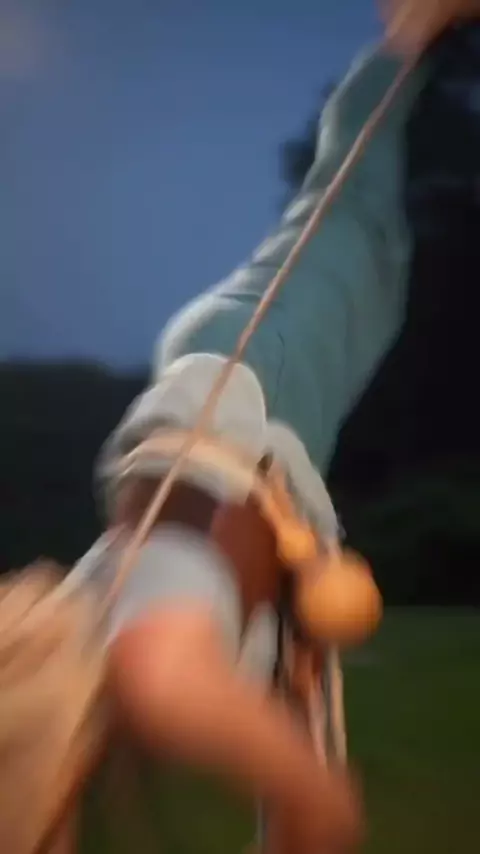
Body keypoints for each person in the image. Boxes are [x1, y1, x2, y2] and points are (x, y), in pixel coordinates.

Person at [41, 2, 480, 852]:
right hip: (242, 371)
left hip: (254, 420)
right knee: (199, 514)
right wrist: (409, 39)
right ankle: (166, 650)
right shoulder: (354, 238)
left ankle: (113, 663)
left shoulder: (388, 263)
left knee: (135, 658)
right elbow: (349, 148)